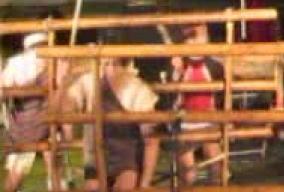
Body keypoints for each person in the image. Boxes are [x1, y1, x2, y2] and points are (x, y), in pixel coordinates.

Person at [55, 35, 160, 192]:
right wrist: (63, 82)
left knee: (125, 186)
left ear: (124, 64)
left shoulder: (137, 89)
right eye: (105, 63)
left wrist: (145, 182)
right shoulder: (89, 81)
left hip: (127, 158)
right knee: (93, 187)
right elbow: (64, 109)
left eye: (114, 64)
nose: (109, 69)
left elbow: (151, 139)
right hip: (95, 157)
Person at [2, 31, 71, 192]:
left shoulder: (57, 62)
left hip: (45, 122)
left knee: (54, 170)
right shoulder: (17, 64)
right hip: (25, 124)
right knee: (18, 172)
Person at [168, 24, 224, 184]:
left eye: (198, 37)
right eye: (189, 38)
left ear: (207, 39)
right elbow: (172, 96)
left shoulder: (214, 65)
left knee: (216, 169)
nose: (194, 42)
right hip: (185, 123)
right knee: (188, 175)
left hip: (209, 120)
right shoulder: (179, 64)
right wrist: (176, 73)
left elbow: (221, 95)